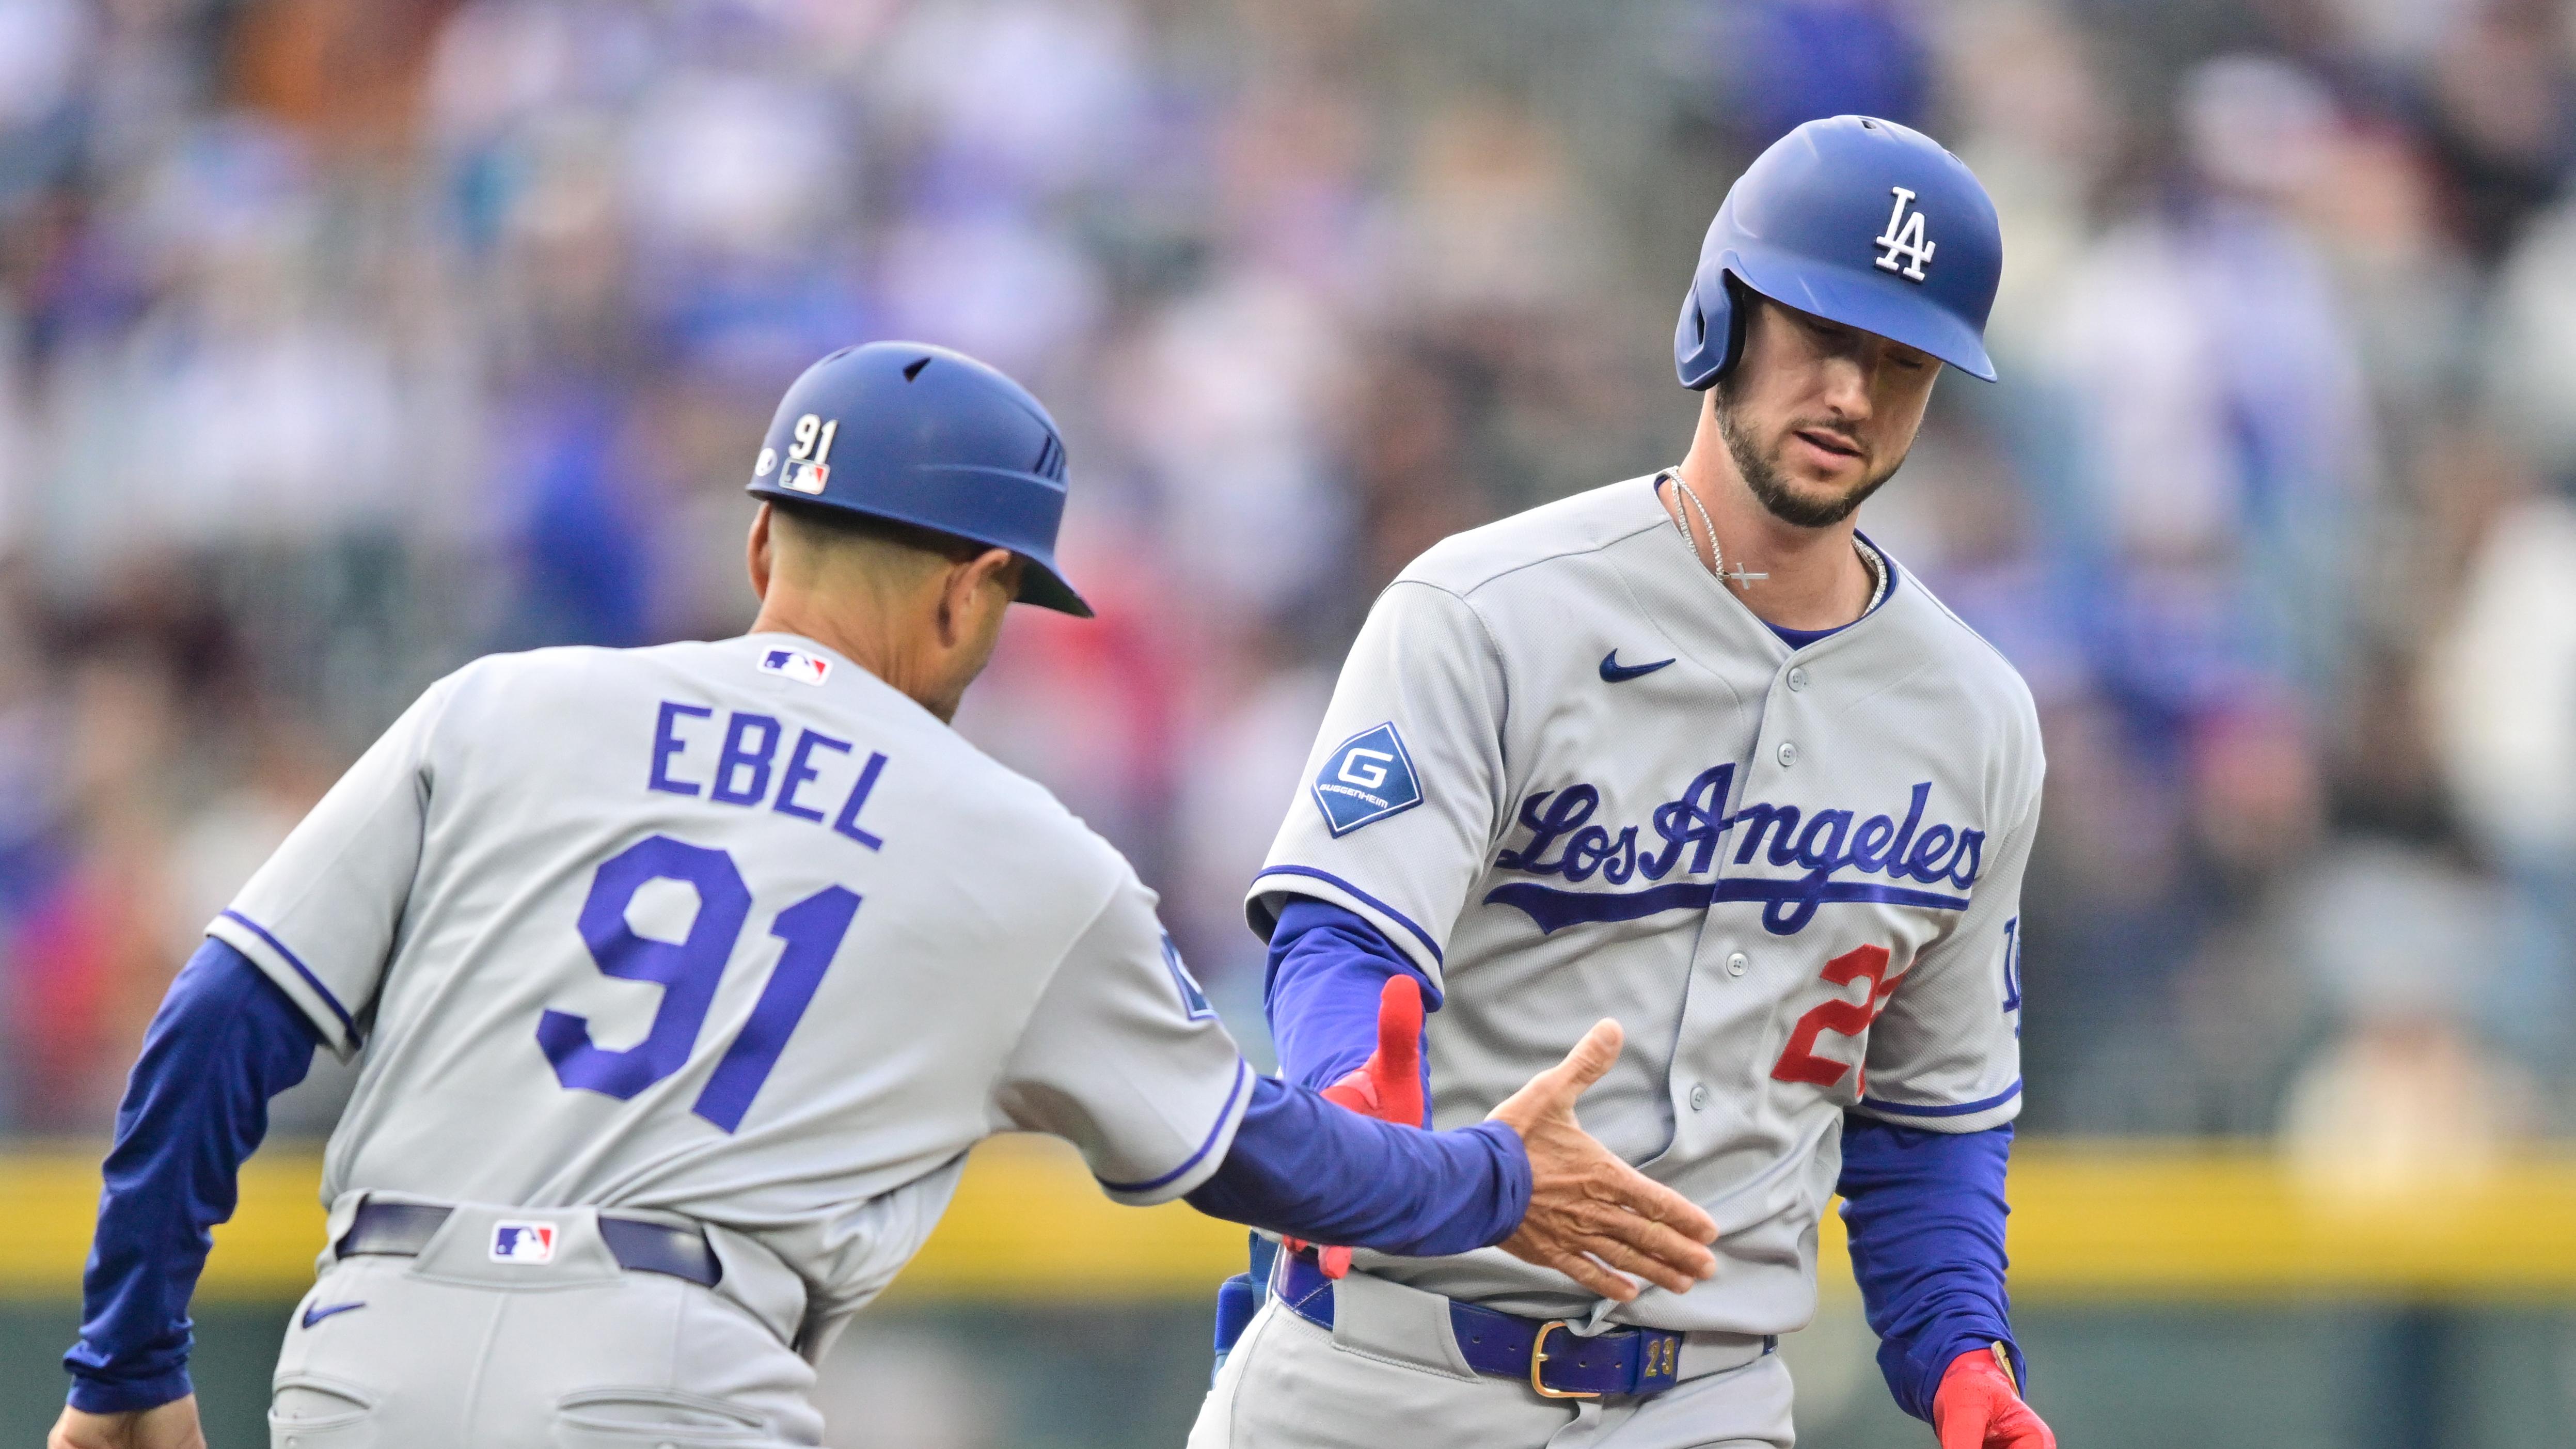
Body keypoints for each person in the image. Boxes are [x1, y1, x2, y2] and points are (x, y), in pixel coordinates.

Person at [50, 342, 1718, 1449]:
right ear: (975, 592)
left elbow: (213, 1028)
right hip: (672, 1380)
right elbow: (1265, 1157)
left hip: (367, 1357)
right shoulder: (1028, 855)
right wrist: (1496, 1180)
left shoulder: (501, 705)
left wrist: (126, 1372)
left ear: (764, 538)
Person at [1191, 117, 2057, 1449]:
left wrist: (1959, 1353)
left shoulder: (1978, 720)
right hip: (1381, 1370)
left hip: (1703, 1399)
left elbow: (1929, 1128)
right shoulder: (1484, 612)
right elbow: (1340, 941)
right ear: (1719, 316)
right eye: (1822, 333)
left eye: (1903, 363)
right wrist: (1373, 1126)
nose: (1853, 395)